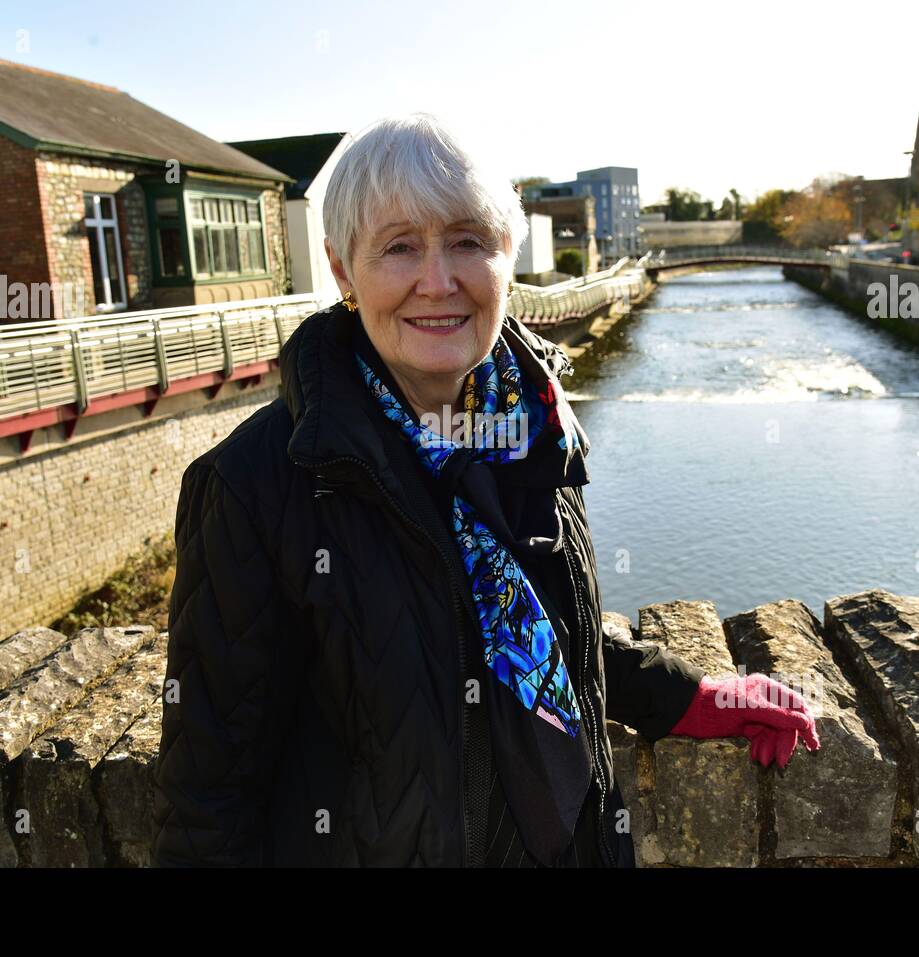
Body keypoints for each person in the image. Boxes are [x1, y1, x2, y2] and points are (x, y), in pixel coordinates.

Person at [150, 112, 819, 868]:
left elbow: (535, 636)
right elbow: (208, 798)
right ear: (343, 270)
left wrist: (691, 699)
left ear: (508, 256)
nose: (439, 281)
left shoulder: (534, 429)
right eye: (399, 246)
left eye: (468, 240)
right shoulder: (251, 487)